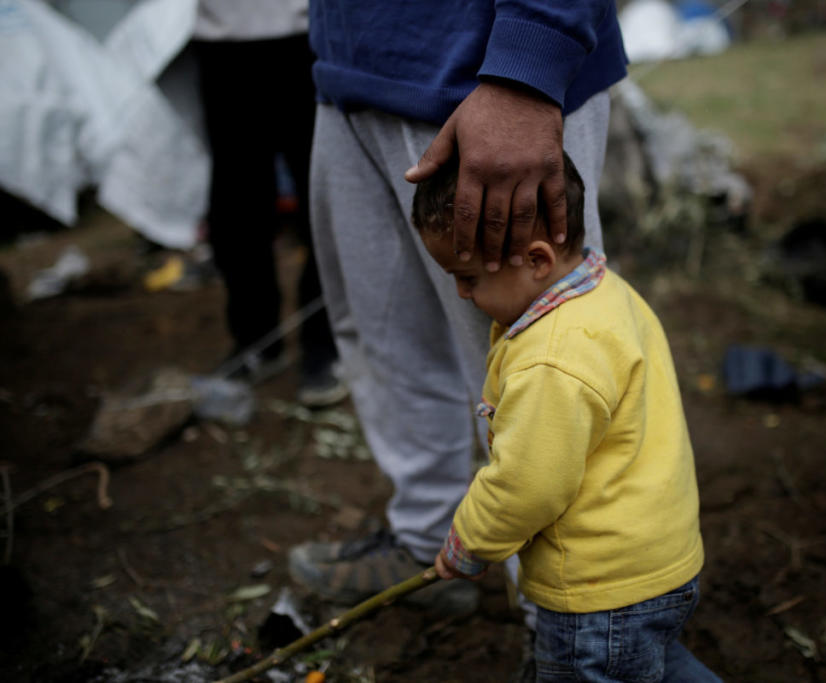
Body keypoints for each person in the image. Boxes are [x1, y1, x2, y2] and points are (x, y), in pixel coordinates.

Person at [288, 1, 629, 615]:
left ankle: (582, 621)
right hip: (349, 68)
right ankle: (426, 536)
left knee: (544, 371)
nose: (462, 288)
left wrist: (529, 63)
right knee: (384, 334)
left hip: (489, 81)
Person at [414, 151, 719, 681]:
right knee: (654, 666)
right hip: (658, 566)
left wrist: (470, 540)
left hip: (598, 595)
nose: (461, 293)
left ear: (536, 261)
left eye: (467, 277)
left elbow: (527, 483)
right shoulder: (608, 292)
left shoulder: (550, 358)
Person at [192, 0, 344, 407]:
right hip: (219, 43)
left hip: (306, 36)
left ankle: (326, 341)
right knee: (235, 210)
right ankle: (256, 339)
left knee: (321, 196)